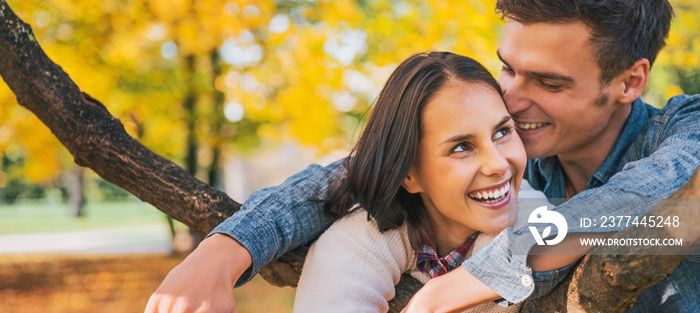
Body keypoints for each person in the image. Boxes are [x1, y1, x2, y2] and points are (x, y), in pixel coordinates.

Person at [145, 0, 700, 312]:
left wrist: (468, 280)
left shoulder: (684, 132)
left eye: (549, 82)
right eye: (508, 68)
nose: (510, 97)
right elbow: (357, 173)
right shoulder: (512, 154)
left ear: (630, 81)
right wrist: (220, 254)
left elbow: (647, 209)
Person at [294, 51, 551, 312]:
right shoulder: (355, 242)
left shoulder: (536, 215)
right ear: (408, 174)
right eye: (462, 147)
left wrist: (437, 298)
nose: (497, 164)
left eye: (502, 131)